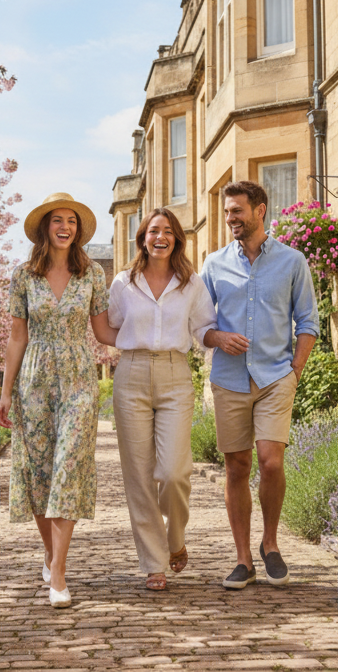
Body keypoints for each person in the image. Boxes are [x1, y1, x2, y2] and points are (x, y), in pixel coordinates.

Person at [0, 192, 117, 608]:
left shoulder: (92, 276)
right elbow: (17, 336)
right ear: (46, 228)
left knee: (68, 466)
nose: (65, 226)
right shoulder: (23, 276)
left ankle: (60, 574)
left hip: (80, 379)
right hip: (34, 381)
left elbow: (104, 332)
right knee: (40, 474)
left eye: (72, 221)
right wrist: (6, 390)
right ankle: (50, 554)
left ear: (78, 230)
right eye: (57, 220)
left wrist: (155, 335)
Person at [200, 180, 319, 589]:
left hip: (274, 377)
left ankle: (270, 543)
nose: (231, 219)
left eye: (237, 211)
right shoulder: (214, 265)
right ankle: (243, 558)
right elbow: (199, 325)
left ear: (260, 210)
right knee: (237, 466)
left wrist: (296, 370)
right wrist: (218, 338)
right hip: (230, 379)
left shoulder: (292, 261)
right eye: (227, 212)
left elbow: (308, 323)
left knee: (270, 461)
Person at [106, 208, 216, 591]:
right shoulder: (123, 282)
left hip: (174, 373)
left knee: (173, 472)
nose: (161, 237)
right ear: (143, 237)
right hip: (131, 373)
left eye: (168, 231)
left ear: (177, 239)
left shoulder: (191, 283)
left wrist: (221, 340)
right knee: (138, 475)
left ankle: (176, 538)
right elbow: (110, 326)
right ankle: (154, 563)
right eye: (154, 230)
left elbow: (204, 328)